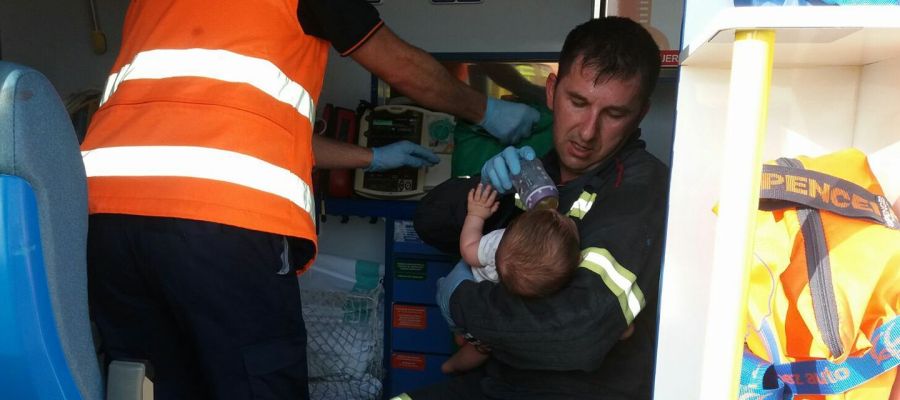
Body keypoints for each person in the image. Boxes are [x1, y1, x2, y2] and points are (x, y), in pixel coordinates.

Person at [79, 1, 540, 399]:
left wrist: (371, 156)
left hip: (104, 217)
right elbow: (398, 65)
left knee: (153, 384)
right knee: (258, 382)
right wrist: (486, 110)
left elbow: (243, 127)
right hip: (220, 223)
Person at [408, 16, 669, 399]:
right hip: (498, 384)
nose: (587, 131)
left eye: (614, 114)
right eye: (577, 102)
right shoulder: (534, 172)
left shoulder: (638, 189)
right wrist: (485, 182)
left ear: (639, 115)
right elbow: (430, 223)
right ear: (551, 92)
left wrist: (460, 301)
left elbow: (577, 334)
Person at [442, 183, 581, 374]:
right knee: (481, 349)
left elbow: (468, 250)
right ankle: (453, 366)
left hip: (458, 291)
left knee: (459, 325)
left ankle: (458, 340)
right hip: (477, 311)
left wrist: (476, 215)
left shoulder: (499, 242)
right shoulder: (545, 291)